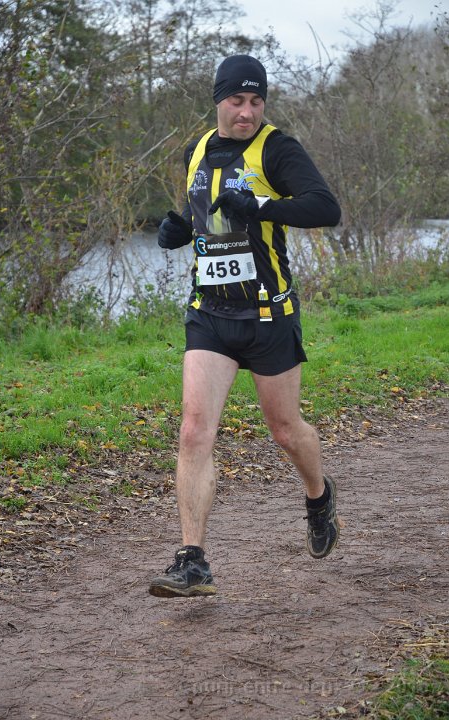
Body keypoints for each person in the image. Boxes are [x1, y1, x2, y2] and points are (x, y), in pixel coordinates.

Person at [149, 55, 341, 599]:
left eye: (256, 102)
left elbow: (325, 208)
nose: (247, 112)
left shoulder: (277, 149)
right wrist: (179, 228)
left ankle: (319, 496)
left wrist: (261, 203)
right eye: (237, 100)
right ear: (218, 100)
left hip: (268, 316)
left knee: (286, 431)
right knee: (194, 430)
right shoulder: (196, 151)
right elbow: (205, 211)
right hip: (210, 314)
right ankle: (192, 561)